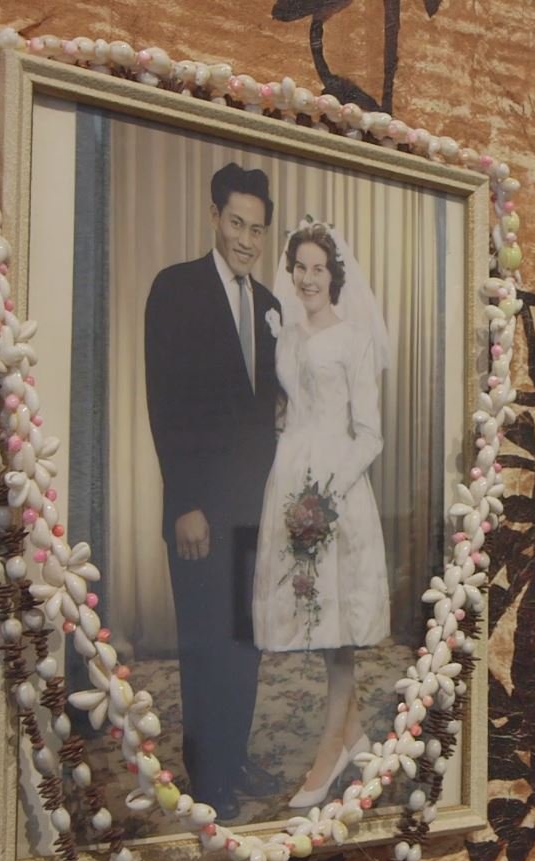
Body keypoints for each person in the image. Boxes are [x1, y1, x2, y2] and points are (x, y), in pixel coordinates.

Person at [142, 163, 283, 819]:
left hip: (256, 507)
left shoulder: (272, 305)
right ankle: (208, 776)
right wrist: (183, 505)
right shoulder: (175, 289)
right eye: (236, 223)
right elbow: (164, 404)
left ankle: (235, 753)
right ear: (213, 216)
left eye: (256, 229)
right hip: (199, 506)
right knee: (205, 643)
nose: (245, 240)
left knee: (246, 639)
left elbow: (267, 408)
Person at [252, 219, 392, 808]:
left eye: (319, 269)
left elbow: (370, 435)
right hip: (290, 476)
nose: (309, 279)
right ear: (292, 273)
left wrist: (324, 492)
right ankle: (353, 732)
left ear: (335, 277)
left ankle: (329, 752)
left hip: (335, 488)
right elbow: (288, 409)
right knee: (317, 618)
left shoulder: (354, 339)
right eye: (300, 268)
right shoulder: (285, 336)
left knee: (339, 627)